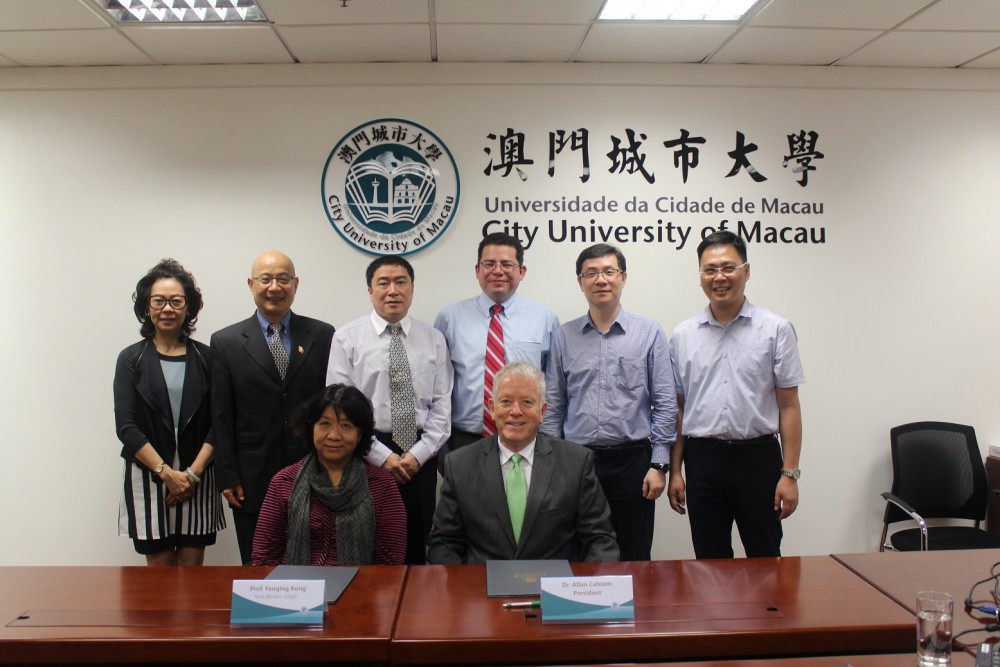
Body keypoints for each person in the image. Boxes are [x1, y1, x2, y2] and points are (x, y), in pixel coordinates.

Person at [667, 231, 804, 559]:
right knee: (709, 561)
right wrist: (675, 471)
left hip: (757, 459)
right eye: (710, 269)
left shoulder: (775, 329)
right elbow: (678, 409)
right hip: (702, 459)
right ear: (700, 276)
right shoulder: (683, 335)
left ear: (746, 271)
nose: (719, 277)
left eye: (728, 267)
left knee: (765, 557)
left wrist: (790, 474)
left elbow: (789, 406)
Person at [541, 243, 677, 562]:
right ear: (580, 282)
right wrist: (551, 466)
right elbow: (554, 406)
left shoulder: (649, 332)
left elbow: (665, 403)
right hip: (576, 463)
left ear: (623, 278)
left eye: (608, 271)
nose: (600, 279)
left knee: (633, 555)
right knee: (576, 553)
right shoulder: (564, 336)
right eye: (591, 273)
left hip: (633, 462)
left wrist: (658, 465)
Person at [327, 255, 453, 564]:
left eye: (400, 282)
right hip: (366, 453)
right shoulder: (346, 339)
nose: (392, 290)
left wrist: (418, 455)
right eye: (383, 283)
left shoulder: (434, 339)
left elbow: (442, 403)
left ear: (412, 288)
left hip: (420, 456)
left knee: (416, 544)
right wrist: (382, 457)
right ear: (370, 291)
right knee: (366, 544)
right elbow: (340, 410)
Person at [211, 251, 335, 564]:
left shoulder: (323, 335)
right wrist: (227, 474)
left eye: (283, 279)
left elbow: (331, 406)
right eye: (265, 279)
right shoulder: (225, 341)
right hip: (251, 477)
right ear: (251, 284)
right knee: (258, 563)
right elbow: (221, 415)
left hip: (313, 469)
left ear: (296, 284)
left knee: (316, 561)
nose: (274, 287)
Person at [427, 362, 619, 564]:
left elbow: (600, 539)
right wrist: (464, 583)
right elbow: (443, 542)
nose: (516, 411)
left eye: (527, 402)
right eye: (506, 401)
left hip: (553, 582)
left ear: (542, 411)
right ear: (492, 408)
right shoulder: (460, 465)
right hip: (482, 581)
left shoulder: (577, 463)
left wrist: (591, 582)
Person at [114, 259, 225, 565]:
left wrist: (191, 475)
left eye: (176, 301)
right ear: (146, 307)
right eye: (159, 301)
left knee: (191, 577)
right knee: (159, 580)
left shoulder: (208, 358)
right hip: (148, 477)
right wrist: (166, 474)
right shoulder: (131, 359)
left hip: (198, 475)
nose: (167, 308)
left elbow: (219, 422)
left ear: (189, 307)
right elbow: (126, 427)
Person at [252, 384, 406, 566]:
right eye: (325, 424)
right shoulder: (284, 482)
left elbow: (391, 564)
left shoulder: (382, 485)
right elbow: (264, 558)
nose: (333, 435)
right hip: (296, 583)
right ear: (311, 428)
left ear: (360, 435)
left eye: (346, 426)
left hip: (363, 583)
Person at [434, 232, 559, 453]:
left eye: (507, 264)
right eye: (489, 264)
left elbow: (553, 387)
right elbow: (439, 388)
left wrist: (550, 442)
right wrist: (442, 450)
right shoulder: (450, 319)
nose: (498, 271)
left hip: (527, 438)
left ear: (522, 271)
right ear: (477, 270)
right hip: (465, 441)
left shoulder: (545, 319)